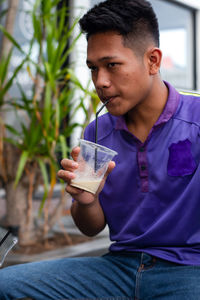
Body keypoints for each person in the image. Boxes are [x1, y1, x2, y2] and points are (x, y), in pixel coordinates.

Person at [0, 0, 200, 299]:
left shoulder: (195, 119)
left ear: (153, 61)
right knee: (6, 286)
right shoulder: (98, 131)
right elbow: (91, 228)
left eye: (112, 65)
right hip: (118, 268)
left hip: (188, 269)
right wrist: (85, 200)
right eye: (93, 69)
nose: (100, 82)